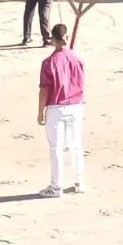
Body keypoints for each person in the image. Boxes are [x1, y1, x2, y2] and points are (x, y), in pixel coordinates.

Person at [37, 22, 86, 199]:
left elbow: (44, 90)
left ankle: (56, 186)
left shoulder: (49, 62)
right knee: (76, 145)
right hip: (75, 105)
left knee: (56, 148)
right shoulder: (77, 59)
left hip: (57, 107)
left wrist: (40, 112)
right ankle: (79, 182)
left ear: (53, 39)